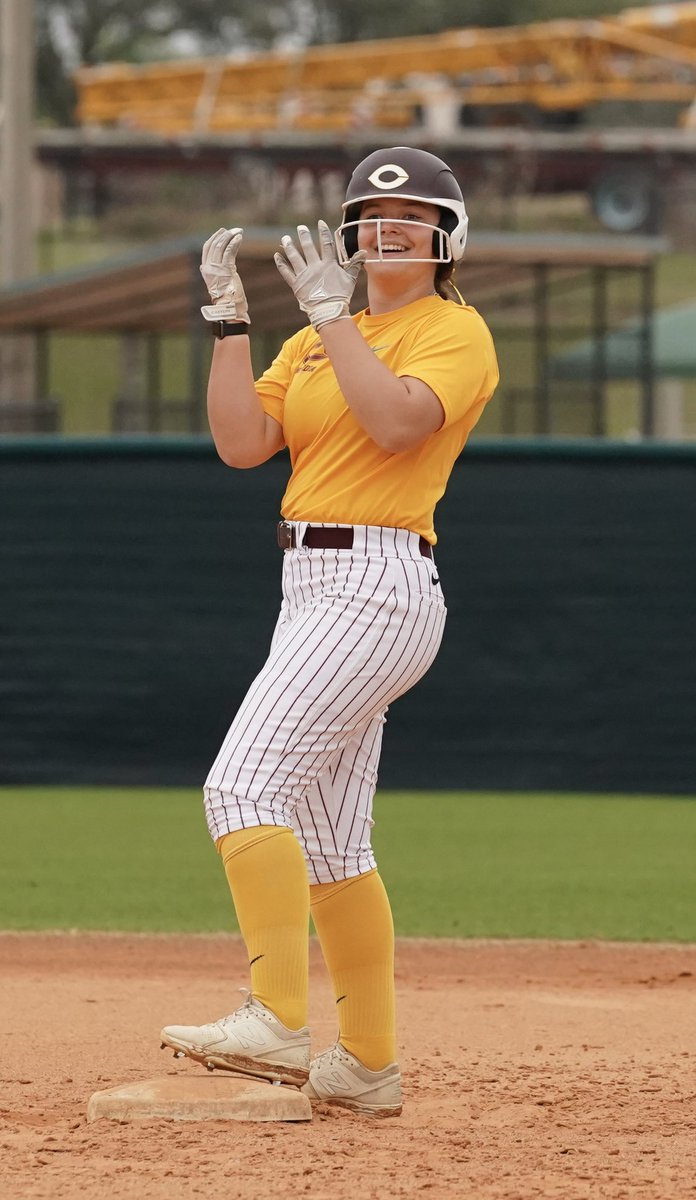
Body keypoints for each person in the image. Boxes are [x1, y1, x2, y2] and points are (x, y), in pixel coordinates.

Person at [160, 146, 499, 1117]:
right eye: (373, 217)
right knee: (334, 846)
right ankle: (366, 1065)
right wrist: (231, 319)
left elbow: (396, 427)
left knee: (242, 784)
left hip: (378, 577)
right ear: (348, 233)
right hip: (311, 583)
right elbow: (240, 444)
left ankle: (274, 1014)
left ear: (448, 237)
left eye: (414, 217)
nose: (390, 230)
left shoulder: (455, 331)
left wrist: (325, 321)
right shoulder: (319, 336)